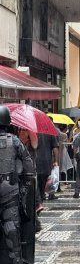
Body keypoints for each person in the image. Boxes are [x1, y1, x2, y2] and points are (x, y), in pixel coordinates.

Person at [0, 105, 34, 263]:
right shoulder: (14, 141)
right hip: (10, 190)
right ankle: (16, 259)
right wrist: (25, 186)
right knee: (12, 227)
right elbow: (29, 166)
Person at [36, 130, 59, 201]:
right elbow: (55, 148)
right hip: (47, 160)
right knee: (49, 178)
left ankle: (41, 195)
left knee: (38, 179)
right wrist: (56, 160)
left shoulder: (33, 131)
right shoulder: (50, 132)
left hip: (35, 159)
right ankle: (50, 194)